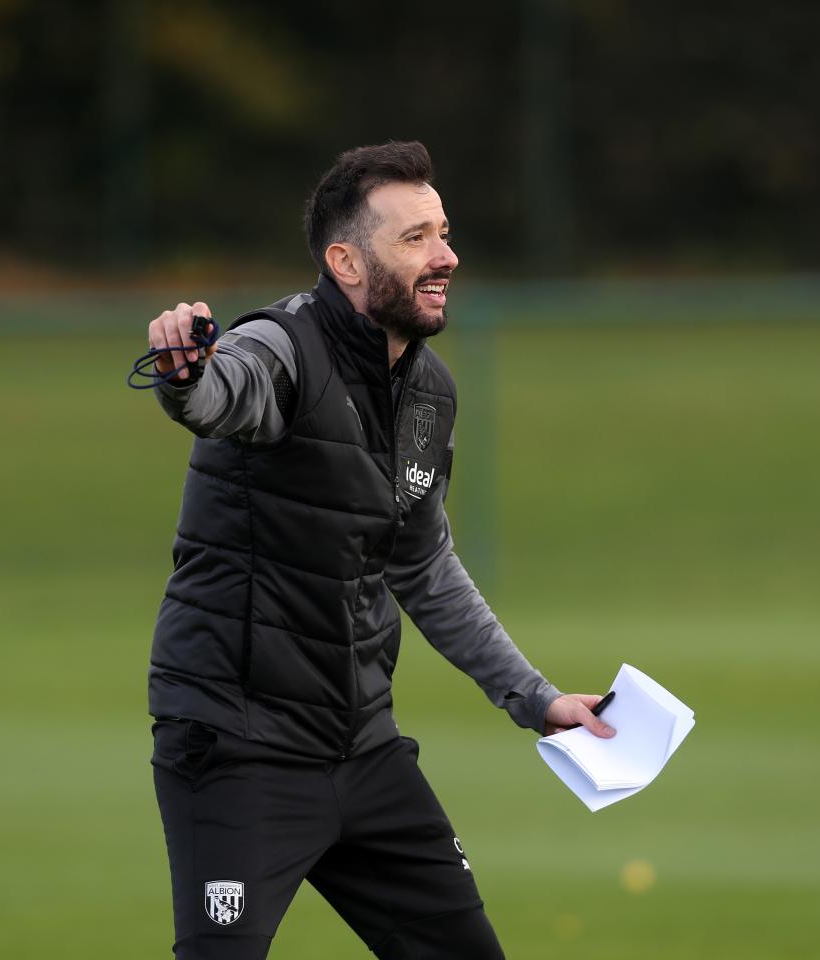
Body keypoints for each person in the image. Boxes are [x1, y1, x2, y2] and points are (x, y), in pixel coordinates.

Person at [143, 141, 613, 960]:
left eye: (445, 233)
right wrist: (186, 377)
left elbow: (423, 566)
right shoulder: (281, 348)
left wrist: (536, 699)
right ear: (346, 262)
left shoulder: (430, 394)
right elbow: (226, 392)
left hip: (363, 749)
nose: (446, 256)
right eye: (417, 239)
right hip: (238, 748)